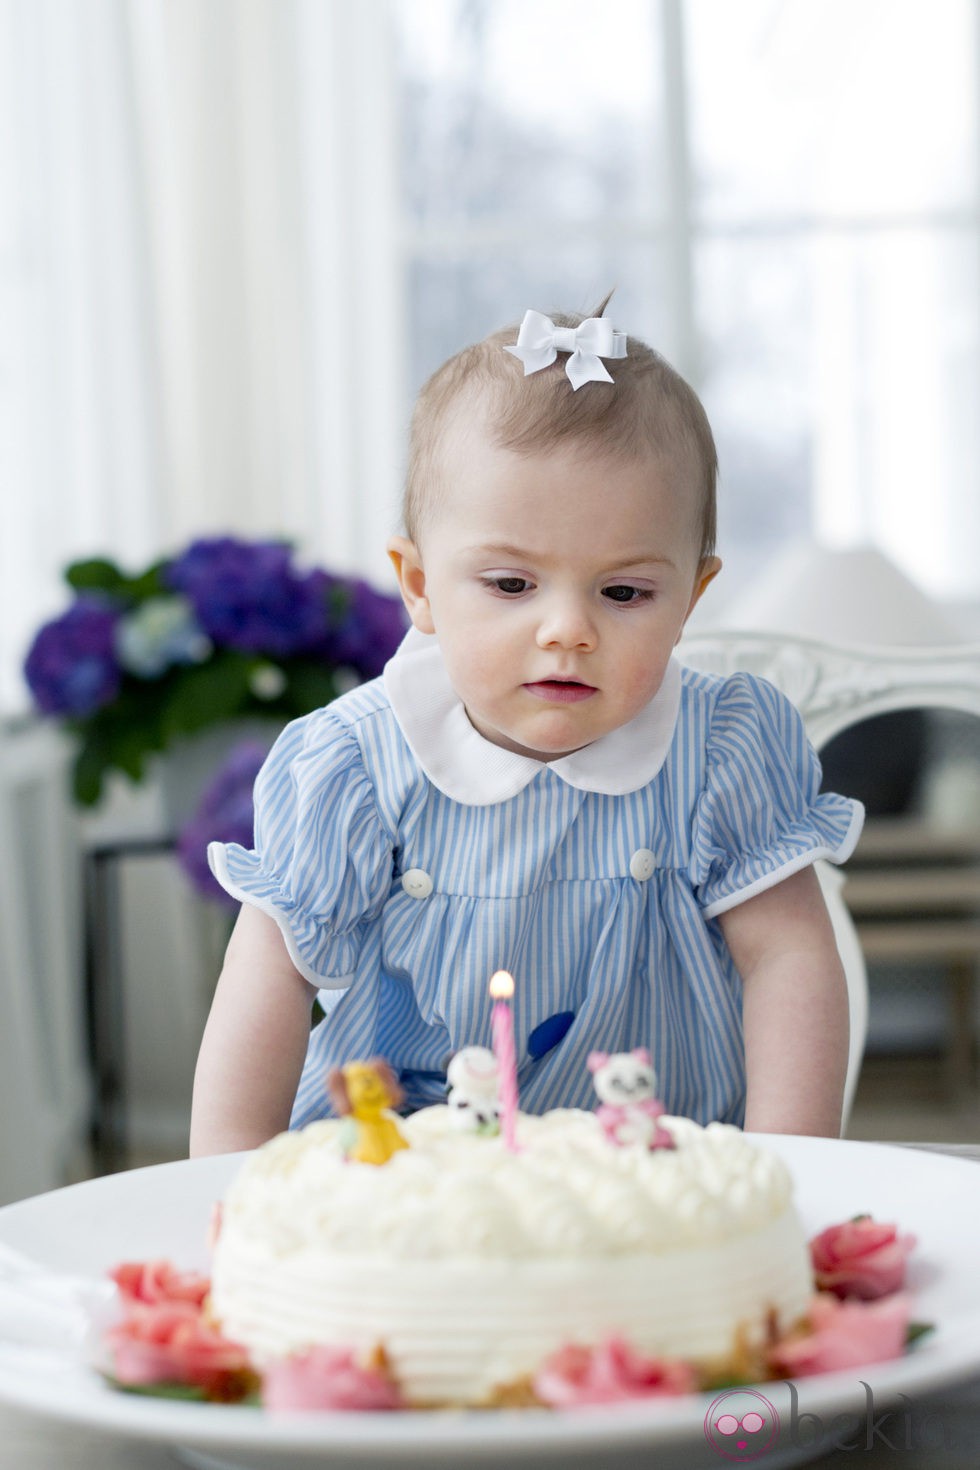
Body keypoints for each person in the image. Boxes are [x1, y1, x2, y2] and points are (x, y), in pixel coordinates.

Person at [190, 302, 863, 1157]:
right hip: (410, 1170)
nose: (566, 630)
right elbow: (268, 981)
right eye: (511, 584)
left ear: (691, 598)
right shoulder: (358, 765)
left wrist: (794, 1169)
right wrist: (227, 1187)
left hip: (666, 1167)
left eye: (624, 593)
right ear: (421, 583)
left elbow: (788, 959)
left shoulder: (720, 751)